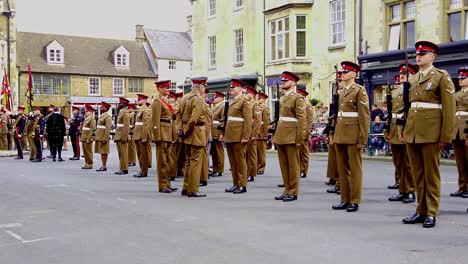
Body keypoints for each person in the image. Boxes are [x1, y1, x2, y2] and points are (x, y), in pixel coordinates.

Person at [401, 41, 456, 228]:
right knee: (418, 174)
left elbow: (449, 109)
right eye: (417, 53)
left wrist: (446, 136)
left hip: (432, 133)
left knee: (431, 174)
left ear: (432, 57)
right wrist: (403, 130)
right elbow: (408, 108)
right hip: (413, 132)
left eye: (423, 53)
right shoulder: (413, 79)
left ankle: (431, 211)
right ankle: (421, 209)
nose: (419, 56)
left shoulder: (441, 76)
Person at [331, 61, 370, 212]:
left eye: (346, 72)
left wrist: (362, 138)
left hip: (353, 134)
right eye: (342, 72)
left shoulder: (360, 90)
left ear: (354, 74)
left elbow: (364, 116)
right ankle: (344, 198)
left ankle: (354, 200)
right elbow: (336, 116)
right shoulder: (340, 92)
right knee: (342, 169)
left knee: (355, 169)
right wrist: (332, 133)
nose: (343, 74)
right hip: (340, 133)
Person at [273, 71, 307, 202]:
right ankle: (287, 189)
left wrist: (300, 138)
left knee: (293, 166)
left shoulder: (297, 98)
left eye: (286, 81)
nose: (283, 83)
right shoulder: (283, 98)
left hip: (291, 135)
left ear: (293, 82)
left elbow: (302, 120)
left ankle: (293, 191)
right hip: (282, 134)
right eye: (282, 81)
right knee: (284, 165)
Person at [387, 64, 418, 203]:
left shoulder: (414, 89)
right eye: (401, 74)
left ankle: (410, 190)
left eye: (406, 74)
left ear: (412, 75)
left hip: (408, 127)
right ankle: (402, 189)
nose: (402, 77)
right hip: (394, 128)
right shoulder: (394, 92)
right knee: (398, 162)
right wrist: (386, 128)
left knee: (409, 163)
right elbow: (389, 112)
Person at [220, 79, 252, 194]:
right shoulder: (233, 101)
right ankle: (235, 183)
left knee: (240, 161)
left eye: (233, 87)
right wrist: (223, 134)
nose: (231, 89)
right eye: (231, 87)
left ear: (240, 88)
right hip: (230, 135)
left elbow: (248, 120)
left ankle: (242, 185)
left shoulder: (244, 100)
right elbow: (227, 119)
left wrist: (245, 136)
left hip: (239, 136)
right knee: (233, 162)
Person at [179, 77, 208, 197]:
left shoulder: (185, 97)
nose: (204, 89)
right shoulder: (198, 100)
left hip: (187, 133)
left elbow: (179, 116)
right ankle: (193, 189)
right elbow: (194, 119)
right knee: (195, 162)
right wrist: (187, 131)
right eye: (204, 86)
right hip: (195, 132)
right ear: (200, 87)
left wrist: (182, 130)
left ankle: (186, 187)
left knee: (188, 162)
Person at [152, 80, 177, 193]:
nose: (168, 90)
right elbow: (155, 120)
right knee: (162, 160)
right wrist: (156, 136)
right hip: (162, 133)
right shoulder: (157, 101)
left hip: (168, 132)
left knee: (167, 160)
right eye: (166, 88)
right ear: (160, 88)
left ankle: (167, 183)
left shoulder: (164, 100)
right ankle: (162, 185)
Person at [450, 67, 468, 199]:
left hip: (466, 130)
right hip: (456, 131)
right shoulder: (456, 94)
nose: (461, 80)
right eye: (460, 78)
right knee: (460, 162)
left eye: (464, 78)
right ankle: (462, 186)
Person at [296, 87, 314, 178]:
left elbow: (309, 121)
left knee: (304, 152)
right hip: (297, 132)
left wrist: (306, 133)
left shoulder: (308, 107)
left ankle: (304, 170)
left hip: (304, 132)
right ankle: (298, 169)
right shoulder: (298, 105)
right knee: (297, 153)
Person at [133, 94, 152, 178]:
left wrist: (145, 136)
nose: (138, 100)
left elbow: (146, 123)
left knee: (143, 154)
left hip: (141, 134)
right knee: (139, 153)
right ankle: (141, 169)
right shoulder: (140, 109)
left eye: (140, 99)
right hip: (137, 134)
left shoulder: (146, 109)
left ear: (144, 100)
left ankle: (144, 170)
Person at [245, 86, 261, 182]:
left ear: (252, 94)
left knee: (251, 154)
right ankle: (247, 172)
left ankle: (251, 173)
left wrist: (254, 134)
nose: (246, 95)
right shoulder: (247, 104)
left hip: (252, 132)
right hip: (247, 132)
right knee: (246, 154)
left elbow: (257, 121)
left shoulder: (255, 105)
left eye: (247, 93)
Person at [210, 91, 225, 177]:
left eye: (216, 97)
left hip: (218, 131)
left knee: (219, 151)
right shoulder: (214, 107)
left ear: (221, 98)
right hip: (213, 131)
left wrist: (221, 133)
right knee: (214, 152)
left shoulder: (222, 107)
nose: (214, 99)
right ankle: (215, 168)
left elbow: (222, 121)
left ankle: (219, 169)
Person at [114, 98, 130, 175]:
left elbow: (126, 126)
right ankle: (121, 168)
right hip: (118, 134)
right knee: (120, 153)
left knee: (123, 153)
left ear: (123, 104)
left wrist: (124, 137)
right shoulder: (121, 111)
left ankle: (124, 169)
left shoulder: (125, 112)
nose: (119, 104)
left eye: (120, 103)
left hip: (122, 135)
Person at [256, 92, 270, 175]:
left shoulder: (265, 109)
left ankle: (261, 167)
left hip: (261, 132)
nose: (258, 100)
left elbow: (266, 123)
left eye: (260, 98)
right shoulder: (257, 108)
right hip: (256, 131)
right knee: (256, 151)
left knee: (261, 152)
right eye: (258, 98)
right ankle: (257, 166)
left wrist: (265, 134)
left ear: (264, 99)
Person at [81, 105, 96, 169]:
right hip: (84, 137)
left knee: (88, 152)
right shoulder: (86, 118)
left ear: (91, 112)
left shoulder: (92, 119)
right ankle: (86, 163)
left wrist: (89, 138)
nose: (86, 112)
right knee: (85, 152)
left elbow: (92, 129)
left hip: (88, 137)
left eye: (87, 111)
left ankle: (90, 163)